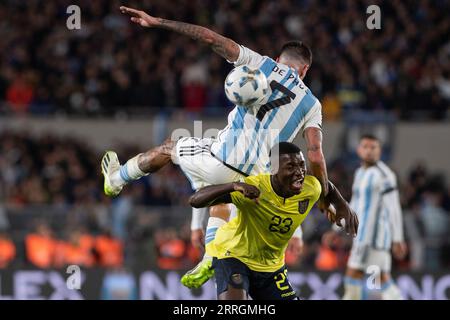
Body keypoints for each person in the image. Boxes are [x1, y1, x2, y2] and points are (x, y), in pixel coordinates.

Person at [102, 5, 358, 285]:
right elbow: (315, 154)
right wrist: (323, 193)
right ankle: (210, 257)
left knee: (169, 147)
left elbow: (209, 38)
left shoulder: (261, 64)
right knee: (221, 201)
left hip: (221, 159)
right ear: (305, 70)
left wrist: (158, 21)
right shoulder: (312, 104)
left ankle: (117, 178)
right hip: (258, 182)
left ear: (278, 59)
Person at [186, 142, 348, 299]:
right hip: (234, 256)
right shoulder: (254, 188)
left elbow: (327, 187)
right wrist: (233, 186)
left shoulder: (310, 188)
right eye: (291, 167)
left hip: (271, 267)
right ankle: (209, 258)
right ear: (274, 170)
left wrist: (343, 206)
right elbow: (195, 200)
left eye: (301, 165)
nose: (299, 172)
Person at [341, 134, 407, 300]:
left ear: (380, 151)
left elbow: (394, 207)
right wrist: (337, 227)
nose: (369, 151)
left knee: (359, 278)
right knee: (380, 280)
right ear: (358, 150)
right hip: (363, 237)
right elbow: (354, 204)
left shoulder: (384, 175)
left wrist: (397, 238)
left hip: (374, 240)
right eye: (366, 147)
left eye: (373, 147)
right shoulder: (360, 173)